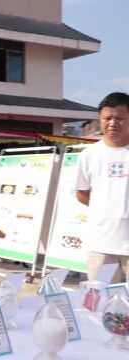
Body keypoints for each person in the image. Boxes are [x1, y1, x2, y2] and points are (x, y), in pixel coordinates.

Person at [76, 92, 129, 284]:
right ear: (100, 119)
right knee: (100, 304)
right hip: (100, 245)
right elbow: (82, 193)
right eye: (107, 118)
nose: (113, 123)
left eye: (120, 118)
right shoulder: (89, 154)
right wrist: (106, 209)